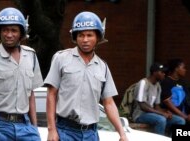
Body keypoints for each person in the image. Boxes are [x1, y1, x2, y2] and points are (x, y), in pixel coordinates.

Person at [44, 11, 128, 141]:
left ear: (98, 38)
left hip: (91, 134)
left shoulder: (103, 67)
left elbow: (109, 103)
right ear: (75, 37)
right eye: (81, 35)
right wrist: (52, 129)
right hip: (65, 131)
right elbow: (51, 94)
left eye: (90, 35)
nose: (85, 40)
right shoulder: (61, 58)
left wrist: (122, 133)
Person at [0, 7, 43, 141]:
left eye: (13, 30)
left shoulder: (31, 56)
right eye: (5, 30)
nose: (9, 35)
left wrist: (35, 128)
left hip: (26, 126)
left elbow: (31, 95)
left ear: (22, 33)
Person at [132, 63, 185, 135]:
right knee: (161, 120)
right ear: (154, 73)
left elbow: (156, 106)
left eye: (164, 72)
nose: (164, 74)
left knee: (180, 121)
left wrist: (165, 111)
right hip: (140, 115)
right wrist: (161, 113)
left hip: (152, 114)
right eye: (162, 72)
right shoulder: (143, 83)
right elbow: (142, 105)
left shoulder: (157, 86)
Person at [160, 58, 190, 123]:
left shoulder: (182, 83)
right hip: (172, 114)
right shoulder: (166, 82)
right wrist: (183, 116)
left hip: (185, 114)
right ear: (176, 69)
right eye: (183, 68)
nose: (185, 70)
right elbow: (167, 102)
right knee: (181, 121)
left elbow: (189, 100)